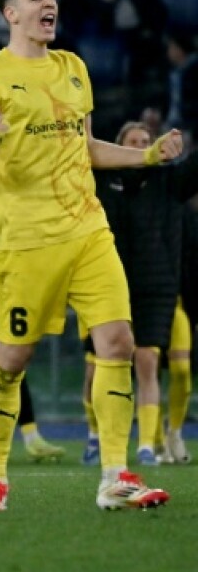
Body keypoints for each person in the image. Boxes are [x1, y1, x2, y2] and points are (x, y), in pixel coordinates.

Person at [0, 0, 178, 512]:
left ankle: (115, 476)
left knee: (120, 343)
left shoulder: (74, 67)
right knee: (11, 361)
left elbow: (87, 147)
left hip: (87, 229)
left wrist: (146, 156)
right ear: (11, 12)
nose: (48, 4)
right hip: (27, 242)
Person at [81, 121, 198, 466]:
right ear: (117, 147)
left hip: (156, 288)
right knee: (99, 367)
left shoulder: (168, 181)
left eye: (146, 141)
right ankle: (96, 436)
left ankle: (147, 444)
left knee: (147, 361)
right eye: (133, 142)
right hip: (105, 285)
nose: (141, 147)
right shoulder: (100, 183)